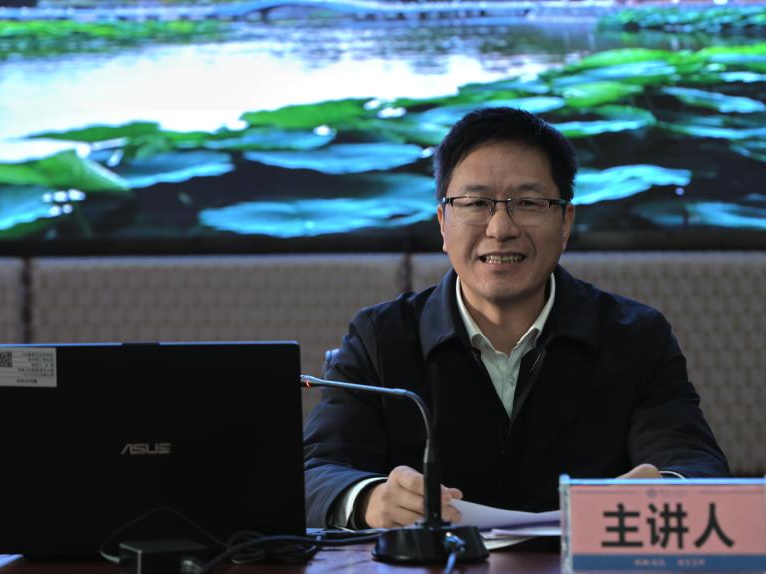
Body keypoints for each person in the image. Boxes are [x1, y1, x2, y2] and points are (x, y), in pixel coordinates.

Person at [302, 107, 729, 530]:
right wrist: (370, 500)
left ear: (565, 222)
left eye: (527, 203)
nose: (500, 228)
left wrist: (665, 488)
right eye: (476, 203)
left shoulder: (637, 336)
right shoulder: (380, 337)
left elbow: (696, 464)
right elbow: (314, 472)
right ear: (443, 223)